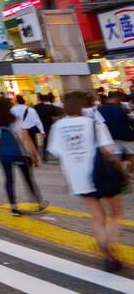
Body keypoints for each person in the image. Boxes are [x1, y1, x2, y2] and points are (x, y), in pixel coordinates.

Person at [48, 92, 126, 272]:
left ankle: (107, 256)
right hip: (101, 175)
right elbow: (108, 150)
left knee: (98, 216)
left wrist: (67, 179)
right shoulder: (93, 123)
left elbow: (59, 153)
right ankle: (109, 241)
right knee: (116, 213)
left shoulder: (58, 127)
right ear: (82, 106)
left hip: (78, 178)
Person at [0, 96, 46, 216]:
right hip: (19, 154)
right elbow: (26, 139)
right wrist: (35, 155)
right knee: (28, 178)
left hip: (4, 155)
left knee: (9, 180)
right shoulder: (15, 120)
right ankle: (38, 203)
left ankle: (14, 208)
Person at [96, 90, 134, 173]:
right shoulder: (119, 109)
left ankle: (122, 173)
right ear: (117, 98)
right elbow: (128, 122)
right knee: (131, 155)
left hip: (111, 138)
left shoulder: (99, 109)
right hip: (127, 137)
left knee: (116, 160)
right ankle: (131, 174)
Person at [34, 93, 63, 163]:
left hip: (37, 126)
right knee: (46, 140)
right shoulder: (51, 107)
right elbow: (55, 118)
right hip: (48, 125)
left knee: (38, 141)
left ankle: (38, 155)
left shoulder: (35, 107)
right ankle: (45, 156)